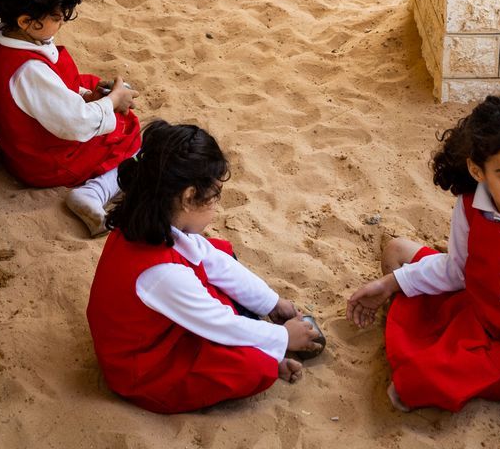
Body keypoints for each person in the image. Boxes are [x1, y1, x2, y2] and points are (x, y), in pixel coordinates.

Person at [347, 95, 500, 448]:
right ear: (478, 171)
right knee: (396, 252)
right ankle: (420, 332)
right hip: (476, 306)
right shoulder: (471, 202)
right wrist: (391, 283)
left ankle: (425, 349)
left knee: (403, 389)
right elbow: (457, 271)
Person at [87, 121, 324, 413]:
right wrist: (283, 338)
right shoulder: (161, 274)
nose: (215, 206)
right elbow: (220, 323)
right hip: (145, 365)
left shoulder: (149, 220)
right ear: (188, 198)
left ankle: (263, 341)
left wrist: (273, 303)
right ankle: (266, 350)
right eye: (213, 197)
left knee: (221, 256)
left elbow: (214, 261)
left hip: (163, 323)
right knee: (254, 367)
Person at [0, 0, 141, 235]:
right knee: (130, 138)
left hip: (23, 152)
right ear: (27, 22)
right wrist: (113, 102)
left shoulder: (17, 43)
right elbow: (75, 123)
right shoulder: (28, 70)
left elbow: (53, 99)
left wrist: (89, 97)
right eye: (56, 17)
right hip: (46, 162)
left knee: (109, 110)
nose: (61, 23)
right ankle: (93, 193)